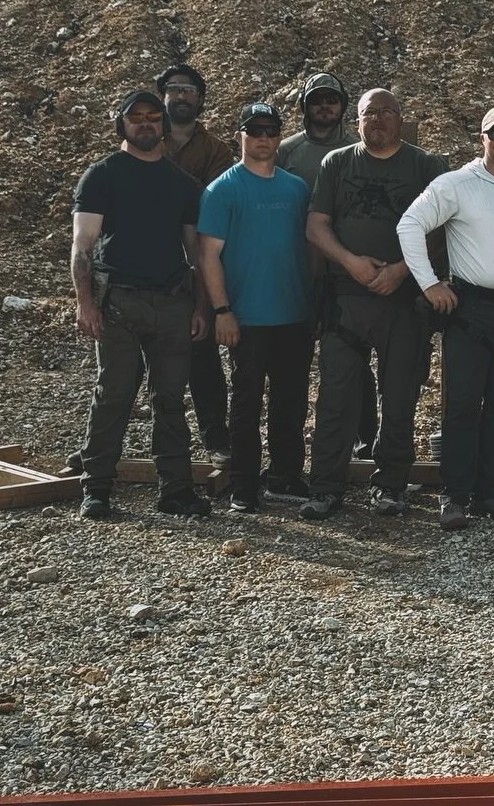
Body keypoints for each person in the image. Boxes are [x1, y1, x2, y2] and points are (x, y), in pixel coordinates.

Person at [300, 89, 448, 520]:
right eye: (369, 113)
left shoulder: (425, 166)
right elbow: (316, 226)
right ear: (357, 121)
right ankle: (326, 488)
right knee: (335, 397)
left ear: (401, 118)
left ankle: (390, 487)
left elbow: (442, 231)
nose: (378, 120)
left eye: (386, 112)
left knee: (400, 397)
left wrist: (401, 270)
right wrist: (351, 262)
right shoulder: (338, 163)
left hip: (403, 300)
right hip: (346, 298)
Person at [397, 106, 494, 531]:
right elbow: (409, 225)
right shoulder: (455, 185)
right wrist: (428, 283)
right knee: (462, 405)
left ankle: (491, 493)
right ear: (481, 137)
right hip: (470, 311)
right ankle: (454, 496)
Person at [69, 89, 212, 520]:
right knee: (113, 395)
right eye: (136, 117)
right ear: (123, 125)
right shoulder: (102, 175)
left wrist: (202, 308)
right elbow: (82, 246)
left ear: (163, 124)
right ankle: (96, 489)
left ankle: (176, 490)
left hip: (172, 304)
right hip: (119, 303)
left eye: (153, 116)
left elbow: (197, 254)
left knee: (169, 398)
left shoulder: (184, 185)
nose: (146, 123)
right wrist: (85, 304)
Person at [197, 102, 313, 513]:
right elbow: (208, 255)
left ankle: (284, 475)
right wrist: (222, 310)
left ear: (280, 137)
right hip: (246, 316)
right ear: (239, 135)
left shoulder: (297, 188)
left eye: (271, 130)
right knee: (246, 401)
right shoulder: (222, 190)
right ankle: (244, 486)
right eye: (255, 129)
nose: (263, 137)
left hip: (295, 313)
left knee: (291, 399)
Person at [276, 71, 377, 458]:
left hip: (345, 269)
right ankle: (292, 452)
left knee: (356, 358)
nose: (324, 107)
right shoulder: (286, 152)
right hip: (297, 269)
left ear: (342, 106)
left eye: (331, 100)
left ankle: (365, 439)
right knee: (295, 362)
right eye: (316, 100)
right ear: (305, 106)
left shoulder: (357, 149)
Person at [158, 63, 235, 465]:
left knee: (202, 360)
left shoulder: (217, 151)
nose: (181, 95)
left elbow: (211, 205)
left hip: (195, 263)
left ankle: (216, 440)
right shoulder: (144, 139)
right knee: (128, 368)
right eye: (173, 88)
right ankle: (102, 447)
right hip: (144, 262)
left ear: (200, 100)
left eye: (188, 90)